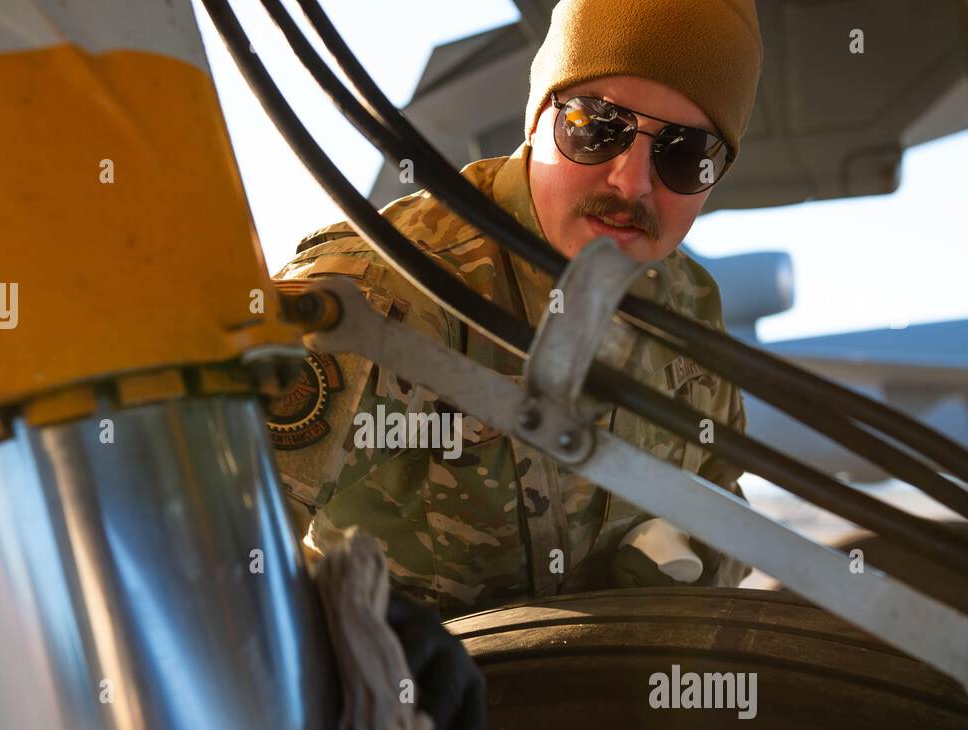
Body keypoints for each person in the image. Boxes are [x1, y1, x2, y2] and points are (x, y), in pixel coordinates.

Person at [269, 0, 764, 621]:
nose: (632, 182)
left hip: (610, 697)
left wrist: (675, 573)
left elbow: (726, 505)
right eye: (596, 126)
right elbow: (207, 543)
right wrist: (349, 647)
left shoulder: (690, 307)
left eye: (685, 154)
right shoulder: (383, 292)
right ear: (536, 118)